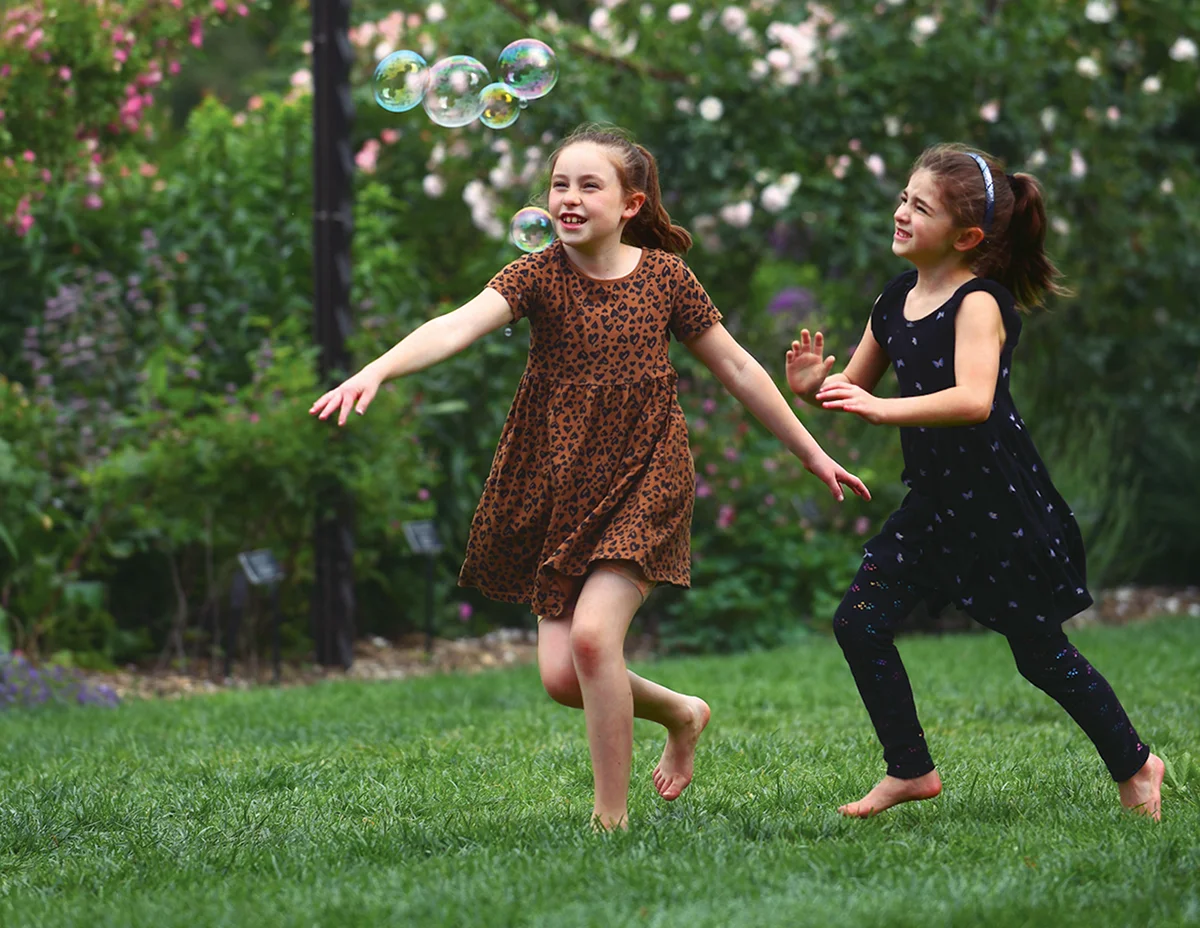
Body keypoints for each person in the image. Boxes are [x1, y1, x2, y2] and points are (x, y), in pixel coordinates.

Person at [311, 124, 869, 830]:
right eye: (559, 185)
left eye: (588, 185)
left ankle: (611, 823)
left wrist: (812, 453)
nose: (569, 199)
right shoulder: (538, 274)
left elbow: (737, 369)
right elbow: (454, 325)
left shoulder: (666, 278)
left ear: (631, 203)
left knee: (593, 640)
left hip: (645, 472)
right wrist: (377, 368)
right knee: (560, 677)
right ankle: (680, 711)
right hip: (558, 481)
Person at [786, 143, 1163, 820]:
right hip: (934, 504)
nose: (901, 212)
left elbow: (973, 400)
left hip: (998, 506)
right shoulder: (895, 297)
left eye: (919, 206)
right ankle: (910, 769)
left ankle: (1137, 766)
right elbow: (855, 390)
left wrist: (880, 408)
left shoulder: (979, 303)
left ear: (967, 237)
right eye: (904, 197)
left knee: (1041, 656)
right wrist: (816, 389)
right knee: (859, 622)